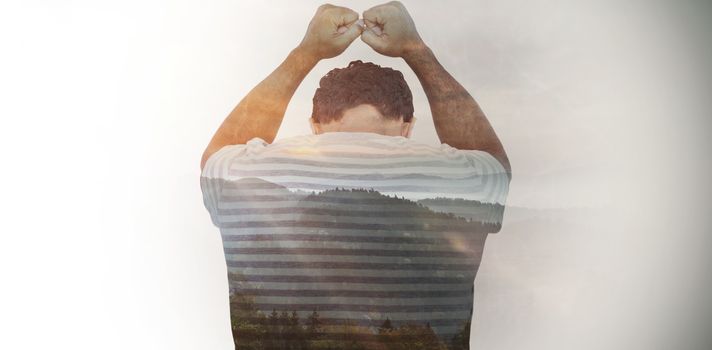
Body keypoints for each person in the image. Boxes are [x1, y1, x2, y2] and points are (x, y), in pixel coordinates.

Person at [199, 2, 511, 349]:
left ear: (315, 126)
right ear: (408, 126)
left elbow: (217, 152)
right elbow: (492, 159)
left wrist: (306, 52)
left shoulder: (242, 173)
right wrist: (416, 50)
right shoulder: (464, 179)